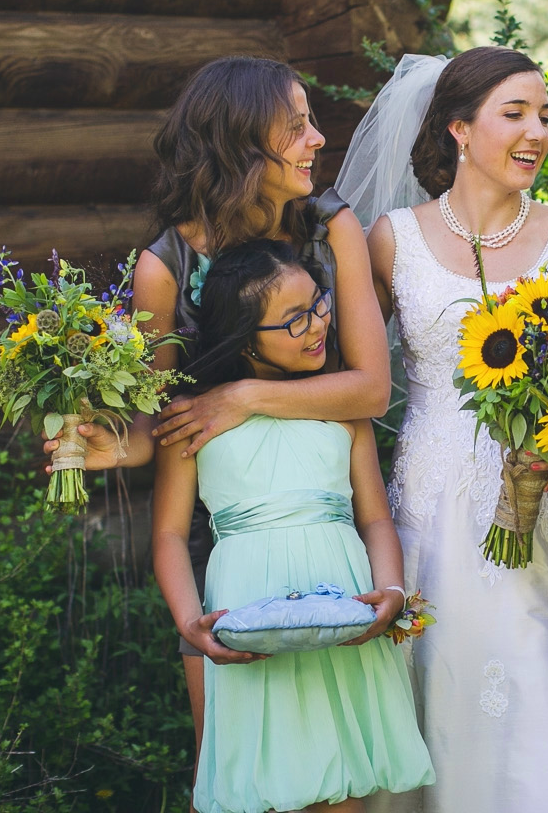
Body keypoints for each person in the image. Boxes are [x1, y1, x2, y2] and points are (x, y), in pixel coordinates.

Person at [47, 56, 392, 767]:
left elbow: (370, 389)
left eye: (312, 124)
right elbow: (162, 423)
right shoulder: (165, 265)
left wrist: (240, 396)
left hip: (325, 513)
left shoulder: (334, 229)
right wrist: (113, 444)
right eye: (296, 128)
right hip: (219, 544)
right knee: (233, 762)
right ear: (240, 144)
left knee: (343, 760)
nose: (318, 140)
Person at [344, 48, 548, 813]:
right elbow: (352, 381)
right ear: (458, 128)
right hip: (429, 519)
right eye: (515, 113)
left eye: (544, 115)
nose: (538, 131)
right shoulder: (391, 240)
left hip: (547, 512)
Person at [153, 239, 433, 813]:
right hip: (245, 610)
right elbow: (169, 535)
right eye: (294, 320)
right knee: (254, 786)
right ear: (245, 339)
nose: (317, 327)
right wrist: (190, 622)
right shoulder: (199, 419)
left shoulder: (341, 407)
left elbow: (375, 516)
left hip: (340, 608)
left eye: (319, 305)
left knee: (340, 787)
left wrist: (392, 591)